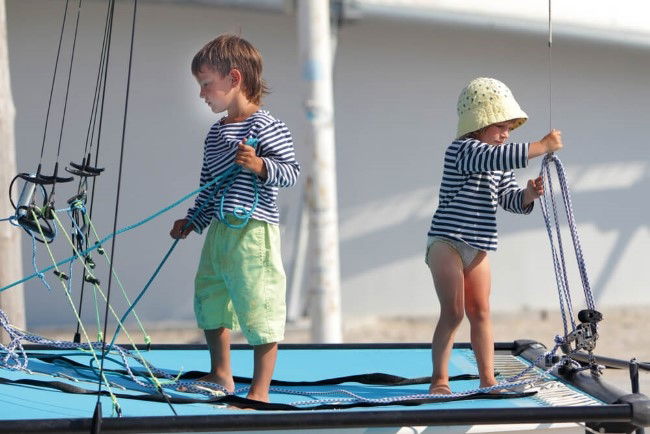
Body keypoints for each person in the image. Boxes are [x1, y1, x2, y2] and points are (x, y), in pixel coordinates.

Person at [169, 34, 300, 403]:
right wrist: (193, 220)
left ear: (234, 78)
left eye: (206, 84)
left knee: (259, 303)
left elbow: (290, 173)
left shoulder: (268, 127)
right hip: (220, 231)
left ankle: (260, 389)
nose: (202, 94)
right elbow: (208, 188)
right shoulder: (215, 134)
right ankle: (221, 373)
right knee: (209, 295)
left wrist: (261, 165)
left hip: (253, 231)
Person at [425, 77, 563, 394]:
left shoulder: (498, 160)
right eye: (500, 127)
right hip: (447, 241)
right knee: (454, 311)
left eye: (509, 130)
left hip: (478, 246)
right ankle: (439, 380)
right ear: (479, 124)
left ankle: (488, 379)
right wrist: (541, 146)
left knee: (481, 312)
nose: (505, 135)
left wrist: (527, 194)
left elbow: (508, 199)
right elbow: (493, 157)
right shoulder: (462, 150)